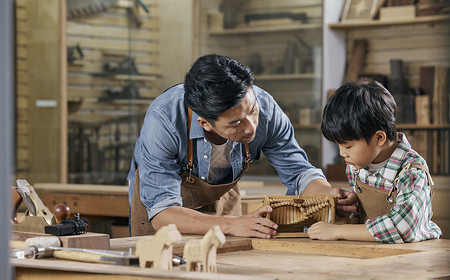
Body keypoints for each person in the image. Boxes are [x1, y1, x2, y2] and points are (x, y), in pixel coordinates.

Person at [128, 54, 357, 238]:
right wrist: (231, 224)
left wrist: (327, 195)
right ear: (205, 123)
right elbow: (162, 213)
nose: (250, 128)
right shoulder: (164, 120)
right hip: (168, 211)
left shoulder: (265, 107)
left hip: (222, 203)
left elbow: (299, 173)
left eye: (252, 111)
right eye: (236, 123)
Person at [308, 79, 442, 243]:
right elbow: (362, 217)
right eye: (338, 146)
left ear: (379, 138)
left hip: (411, 257)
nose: (342, 154)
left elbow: (402, 228)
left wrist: (339, 231)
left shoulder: (412, 173)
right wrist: (349, 209)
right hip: (372, 252)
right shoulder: (356, 166)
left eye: (348, 147)